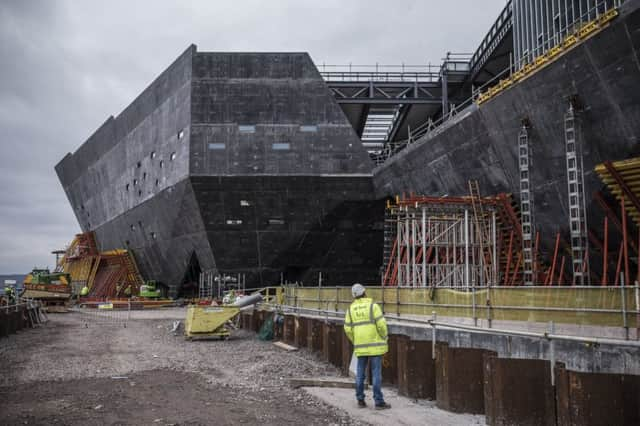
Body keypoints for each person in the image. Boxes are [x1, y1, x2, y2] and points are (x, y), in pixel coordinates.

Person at [343, 283, 391, 410]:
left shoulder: (351, 309)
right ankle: (379, 402)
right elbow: (381, 325)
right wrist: (384, 336)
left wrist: (355, 340)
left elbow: (347, 329)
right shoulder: (373, 306)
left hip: (360, 346)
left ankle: (360, 400)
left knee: (360, 374)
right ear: (365, 292)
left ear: (354, 296)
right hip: (375, 346)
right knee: (376, 374)